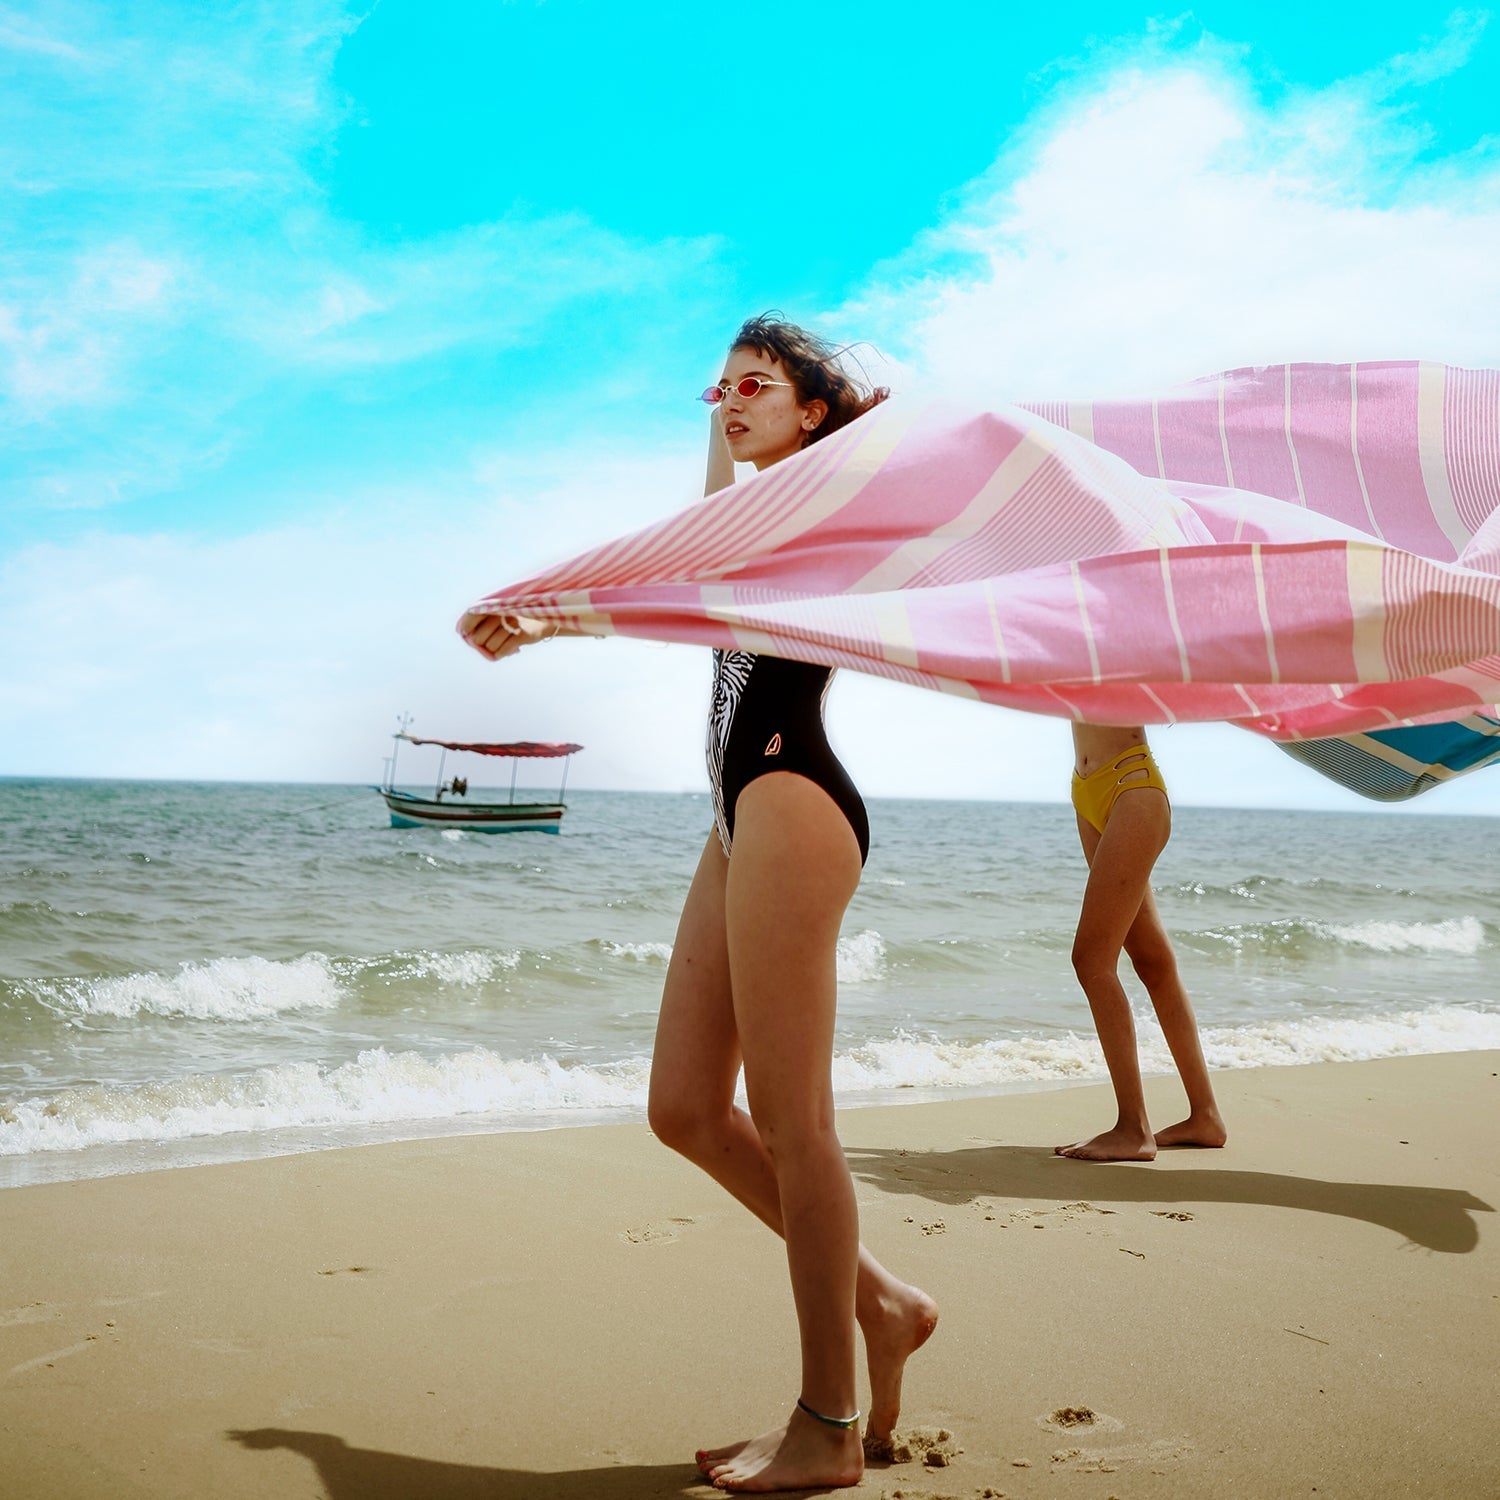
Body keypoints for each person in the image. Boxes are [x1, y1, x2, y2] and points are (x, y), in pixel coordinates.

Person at [460, 315, 937, 1493]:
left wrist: (543, 613)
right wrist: (720, 428)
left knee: (794, 1121)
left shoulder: (819, 509)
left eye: (757, 386)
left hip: (791, 796)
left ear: (814, 413)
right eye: (719, 386)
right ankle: (883, 1303)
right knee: (683, 1106)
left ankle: (827, 1423)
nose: (729, 402)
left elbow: (684, 576)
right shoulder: (750, 506)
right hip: (734, 818)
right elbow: (692, 536)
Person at [1055, 724, 1228, 1162]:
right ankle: (1205, 1117)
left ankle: (1133, 1128)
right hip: (1087, 789)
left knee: (1092, 961)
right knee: (1152, 962)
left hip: (1132, 788)